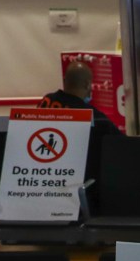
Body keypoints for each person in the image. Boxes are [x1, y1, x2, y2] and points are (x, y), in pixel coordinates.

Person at [38, 61, 121, 196]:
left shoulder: (46, 101)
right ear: (88, 85)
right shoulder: (94, 117)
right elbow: (120, 143)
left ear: (64, 80)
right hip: (77, 182)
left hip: (43, 175)